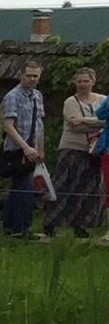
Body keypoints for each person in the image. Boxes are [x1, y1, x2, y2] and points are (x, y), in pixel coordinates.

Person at [43, 66, 106, 239]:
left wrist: (86, 120)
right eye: (79, 81)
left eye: (86, 81)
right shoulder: (70, 102)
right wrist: (98, 122)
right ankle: (51, 222)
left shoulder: (102, 100)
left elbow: (99, 121)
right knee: (64, 185)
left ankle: (82, 225)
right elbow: (74, 125)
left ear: (93, 82)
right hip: (72, 148)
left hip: (94, 150)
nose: (82, 84)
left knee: (90, 188)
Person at [0, 58, 48, 238]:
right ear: (21, 75)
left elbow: (39, 124)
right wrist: (25, 147)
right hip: (17, 149)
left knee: (20, 188)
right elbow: (8, 125)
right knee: (24, 189)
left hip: (33, 148)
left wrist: (40, 149)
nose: (32, 79)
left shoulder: (38, 96)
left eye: (35, 76)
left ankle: (8, 226)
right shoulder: (13, 96)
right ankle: (20, 227)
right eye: (29, 76)